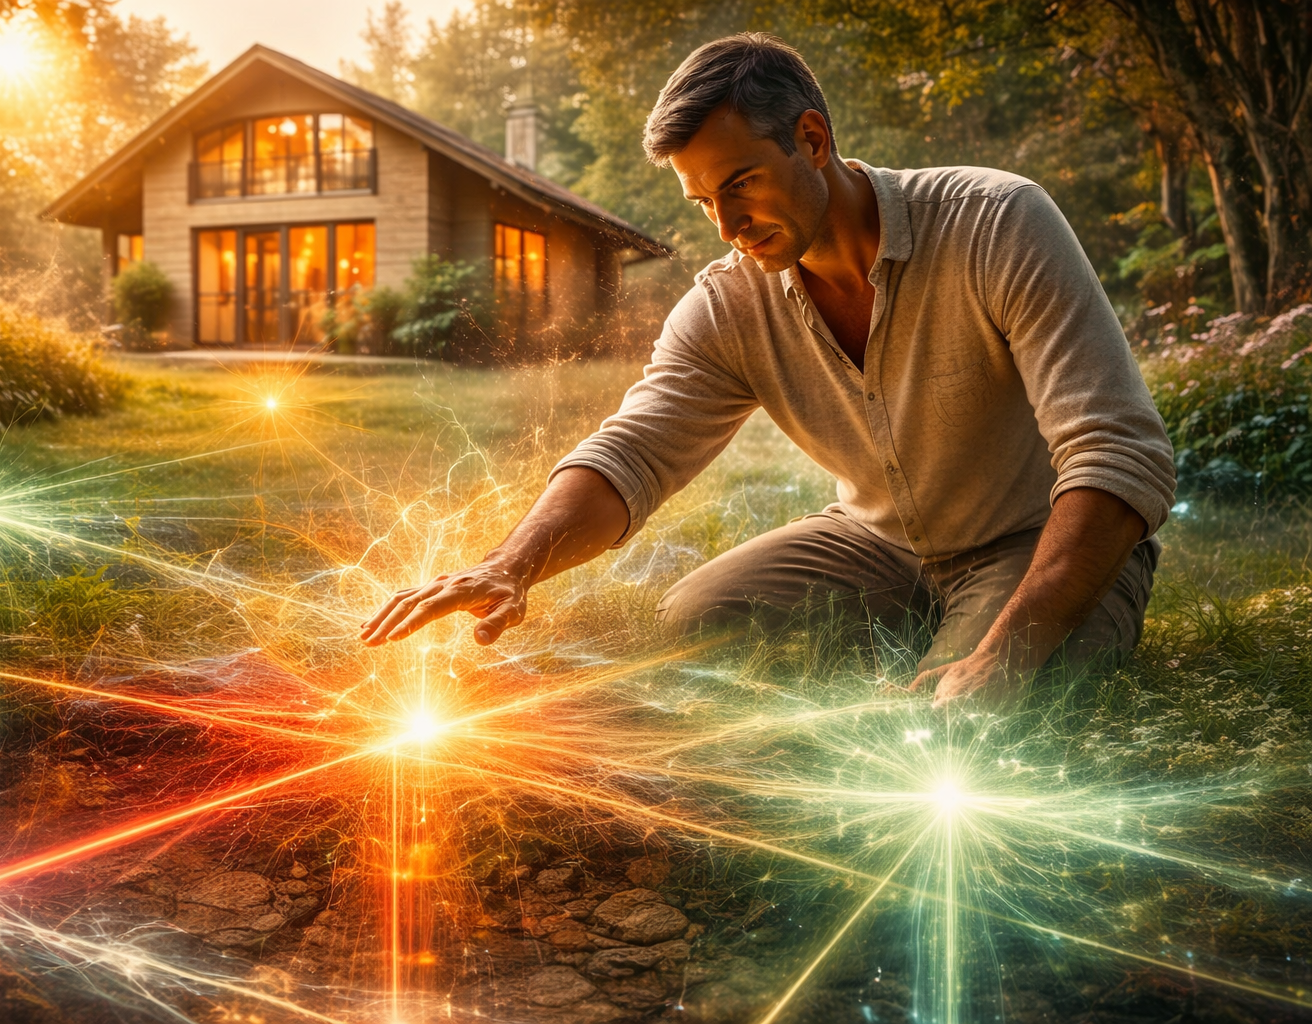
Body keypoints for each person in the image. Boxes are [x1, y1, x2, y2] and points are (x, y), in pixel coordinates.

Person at [362, 32, 1175, 707]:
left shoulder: (997, 221)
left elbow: (1120, 455)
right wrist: (510, 565)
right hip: (876, 541)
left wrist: (1002, 655)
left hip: (1032, 541)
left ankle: (995, 640)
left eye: (741, 183)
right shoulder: (729, 304)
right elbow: (636, 450)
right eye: (702, 203)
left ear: (813, 141)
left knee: (969, 719)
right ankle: (938, 634)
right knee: (699, 618)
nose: (727, 226)